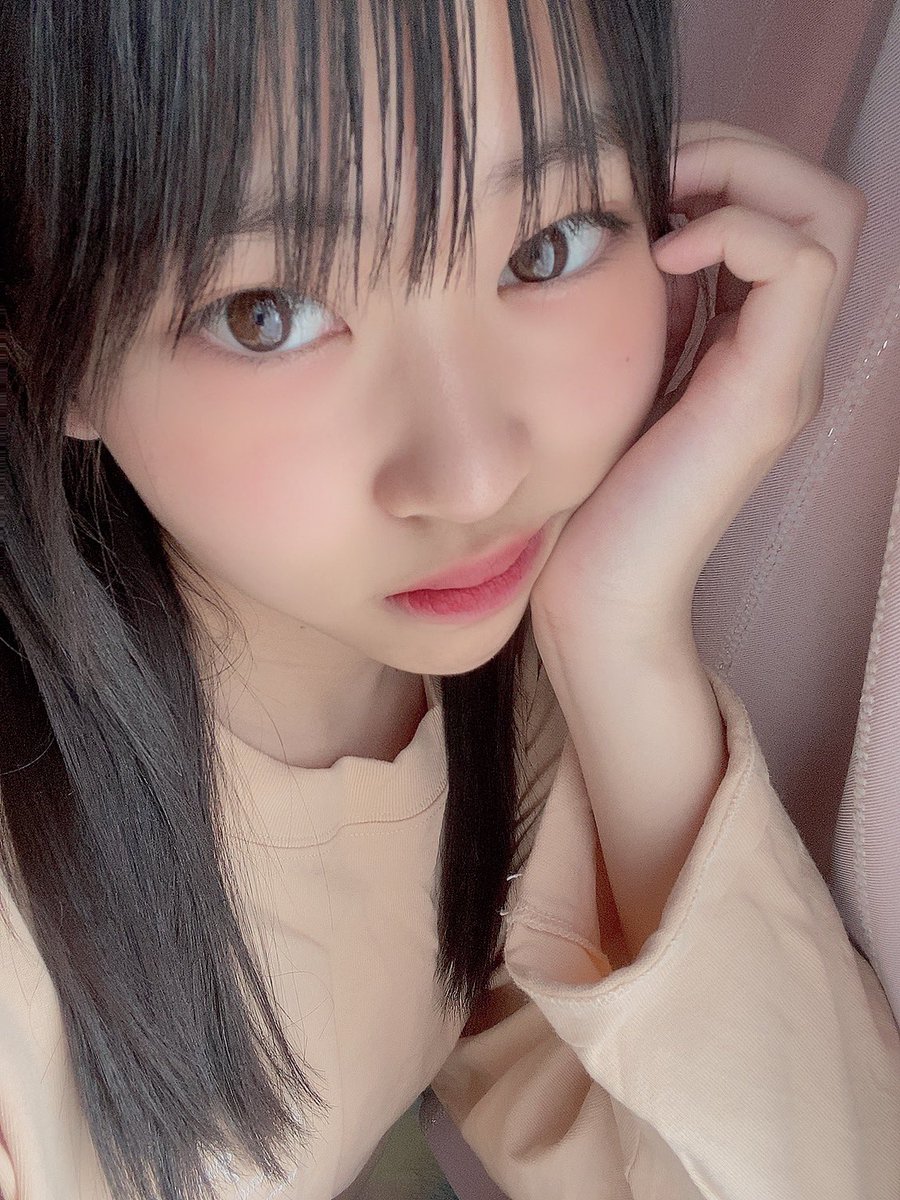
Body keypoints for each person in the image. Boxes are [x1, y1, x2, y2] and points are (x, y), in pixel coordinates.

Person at [1, 1, 898, 1198]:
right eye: (267, 316)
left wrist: (620, 635)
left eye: (549, 246)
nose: (474, 476)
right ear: (40, 337)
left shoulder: (498, 721)